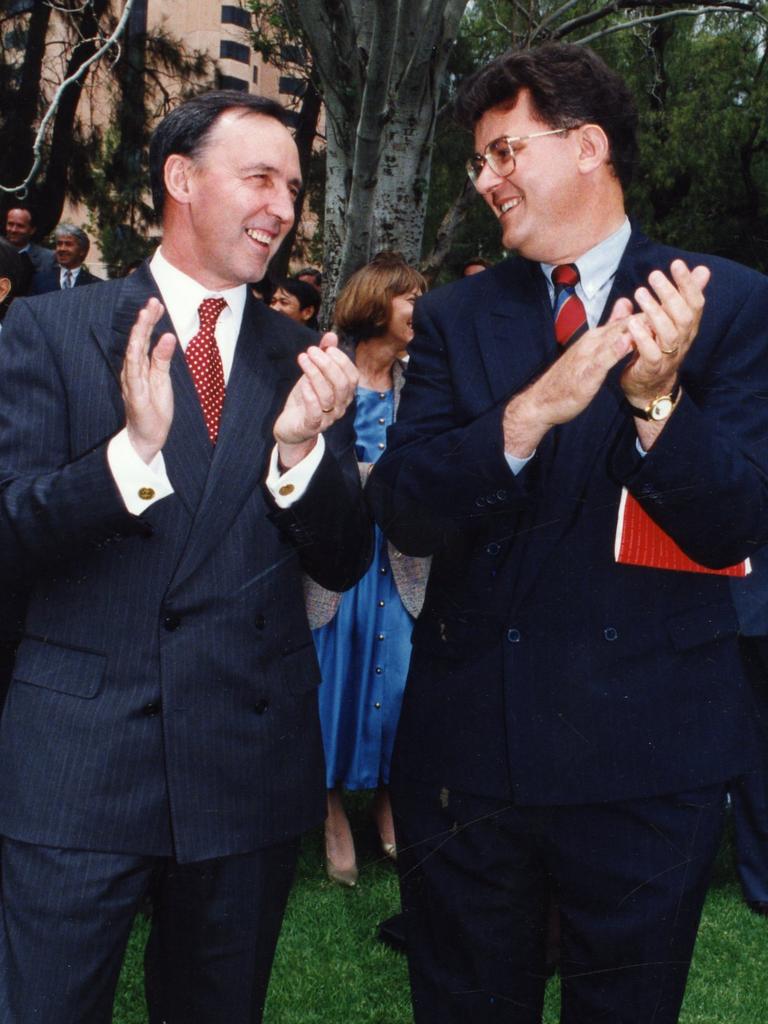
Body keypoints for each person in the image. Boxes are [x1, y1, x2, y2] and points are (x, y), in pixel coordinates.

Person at [368, 42, 768, 1023]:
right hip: (470, 766)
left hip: (649, 764)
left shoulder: (721, 303)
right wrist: (521, 418)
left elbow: (737, 522)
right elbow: (408, 505)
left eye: (505, 152)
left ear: (587, 145)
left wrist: (660, 403)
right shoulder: (457, 318)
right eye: (479, 162)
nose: (487, 180)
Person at [0, 90, 371, 1024]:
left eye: (292, 186)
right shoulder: (49, 331)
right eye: (259, 178)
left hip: (245, 770)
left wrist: (300, 456)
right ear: (180, 178)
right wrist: (128, 458)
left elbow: (346, 559)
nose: (283, 207)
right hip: (79, 769)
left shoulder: (307, 359)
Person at [305, 252, 430, 888]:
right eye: (411, 298)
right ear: (377, 303)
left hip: (403, 560)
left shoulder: (425, 380)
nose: (422, 309)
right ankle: (330, 813)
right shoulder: (327, 370)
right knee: (334, 678)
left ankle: (387, 802)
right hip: (338, 560)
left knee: (398, 681)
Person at [29, 223, 102, 293]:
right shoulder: (40, 280)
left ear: (82, 251)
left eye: (68, 244)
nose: (62, 249)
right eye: (59, 244)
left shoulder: (95, 285)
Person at [3, 205, 56, 295]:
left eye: (20, 226)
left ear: (32, 230)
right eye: (10, 224)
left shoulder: (48, 259)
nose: (13, 230)